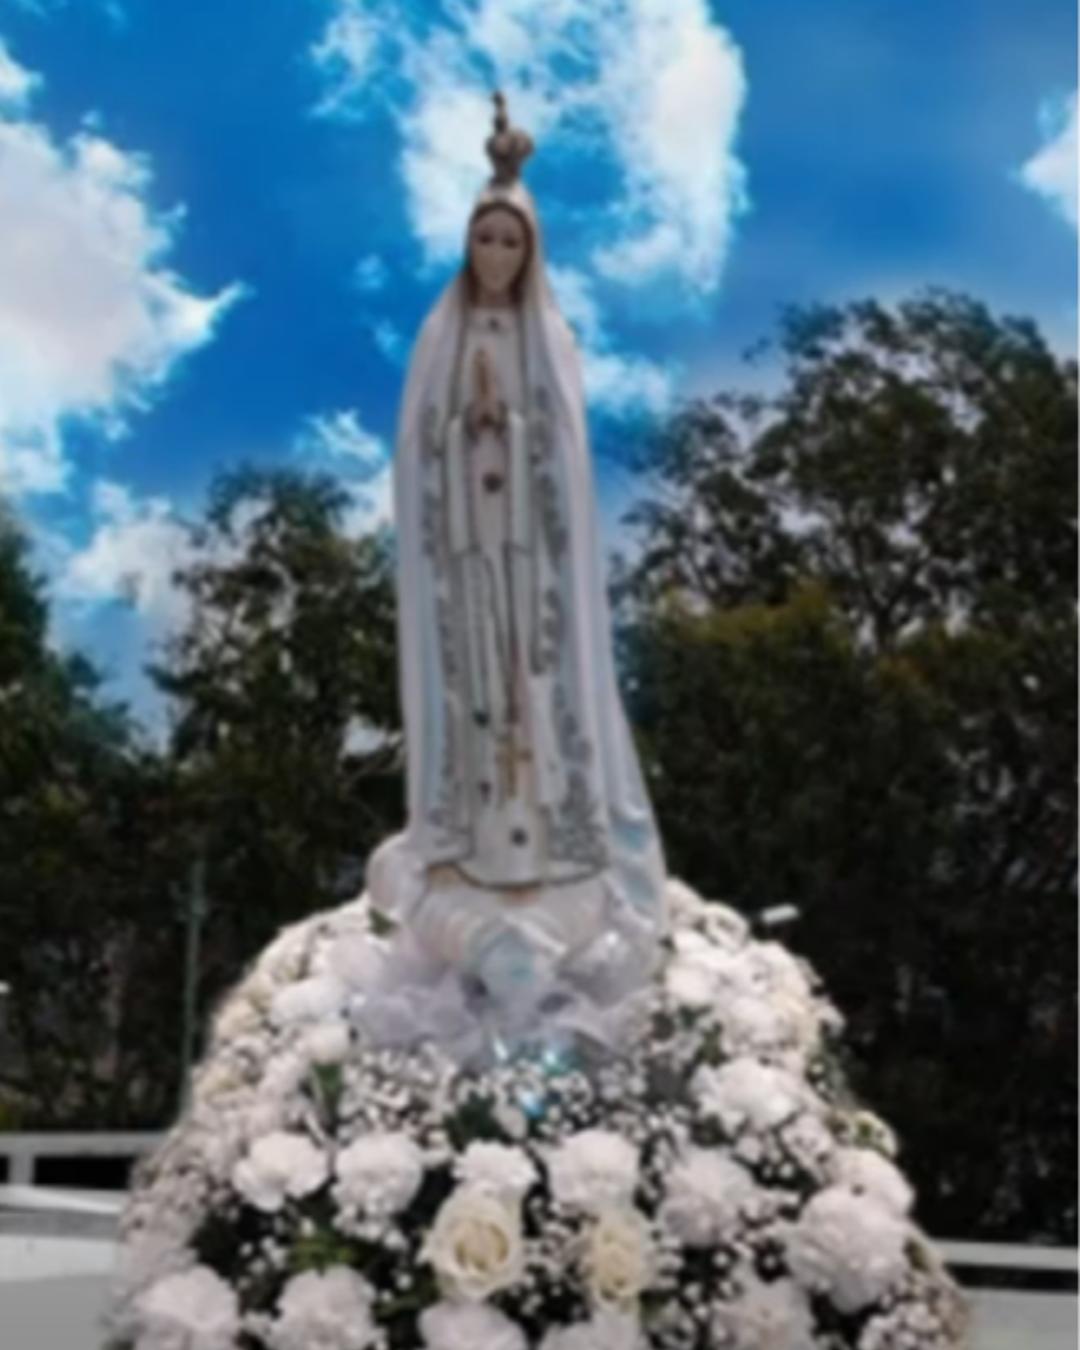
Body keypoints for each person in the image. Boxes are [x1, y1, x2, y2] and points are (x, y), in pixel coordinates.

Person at [367, 93, 666, 1026]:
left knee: (536, 697)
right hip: (465, 554)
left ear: (530, 252)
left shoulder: (550, 338)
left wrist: (520, 429)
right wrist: (469, 427)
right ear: (468, 246)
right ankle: (467, 853)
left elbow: (566, 457)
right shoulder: (442, 336)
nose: (496, 255)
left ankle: (552, 859)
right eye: (485, 239)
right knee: (473, 700)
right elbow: (416, 450)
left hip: (532, 562)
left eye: (510, 242)